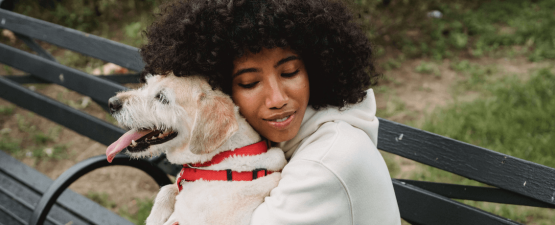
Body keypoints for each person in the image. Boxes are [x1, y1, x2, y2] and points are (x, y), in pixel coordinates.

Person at [140, 0, 401, 224]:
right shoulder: (291, 141)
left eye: (290, 73)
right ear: (223, 91)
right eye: (250, 83)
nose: (277, 99)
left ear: (316, 69)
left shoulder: (326, 162)